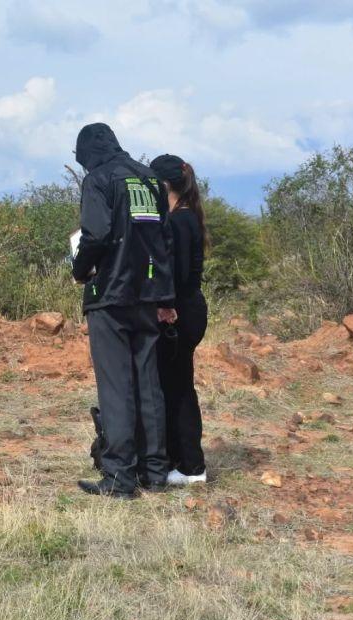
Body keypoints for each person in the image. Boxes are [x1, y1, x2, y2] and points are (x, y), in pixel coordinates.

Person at [71, 123, 177, 498]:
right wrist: (166, 297)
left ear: (88, 152)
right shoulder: (150, 179)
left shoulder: (99, 179)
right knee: (148, 383)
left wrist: (79, 269)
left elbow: (96, 234)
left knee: (116, 387)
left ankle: (119, 478)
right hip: (148, 296)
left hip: (110, 295)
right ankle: (156, 472)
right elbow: (164, 241)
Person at [150, 154, 208, 485]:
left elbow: (179, 271)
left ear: (163, 184)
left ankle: (191, 467)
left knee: (178, 388)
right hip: (187, 309)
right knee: (175, 384)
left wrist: (166, 305)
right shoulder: (186, 216)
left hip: (180, 313)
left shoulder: (179, 221)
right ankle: (180, 460)